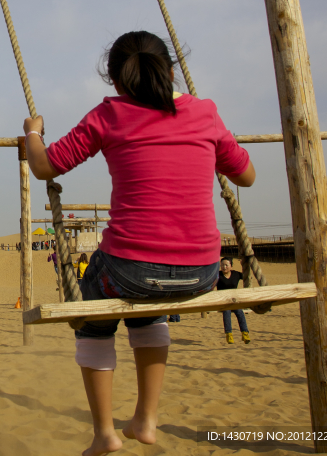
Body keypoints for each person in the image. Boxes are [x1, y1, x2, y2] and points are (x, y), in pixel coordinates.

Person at [23, 30, 255, 455]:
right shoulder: (204, 113)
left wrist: (32, 132)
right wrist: (218, 142)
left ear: (115, 81)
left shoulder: (110, 115)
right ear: (170, 71)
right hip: (202, 272)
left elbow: (44, 166)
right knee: (148, 310)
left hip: (130, 271)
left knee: (95, 311)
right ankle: (146, 419)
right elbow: (247, 176)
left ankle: (105, 433)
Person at [217, 259, 249, 343]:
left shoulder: (236, 274)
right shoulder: (217, 275)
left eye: (226, 265)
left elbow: (247, 276)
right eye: (222, 265)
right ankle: (229, 335)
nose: (224, 267)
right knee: (226, 313)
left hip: (234, 300)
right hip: (223, 300)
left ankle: (245, 333)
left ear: (231, 266)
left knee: (240, 313)